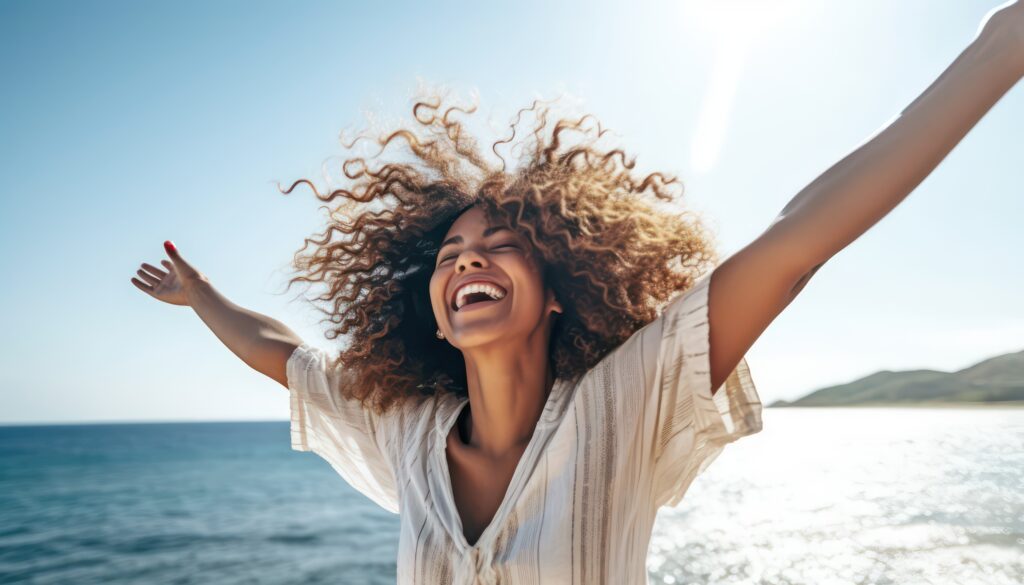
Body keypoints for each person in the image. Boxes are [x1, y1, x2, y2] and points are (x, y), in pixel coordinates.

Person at [131, 4, 1023, 582]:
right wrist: (202, 291)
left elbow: (795, 244)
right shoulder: (401, 432)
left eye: (499, 245)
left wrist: (998, 51)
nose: (467, 261)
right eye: (449, 255)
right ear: (434, 313)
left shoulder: (628, 399)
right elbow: (281, 353)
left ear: (556, 290)